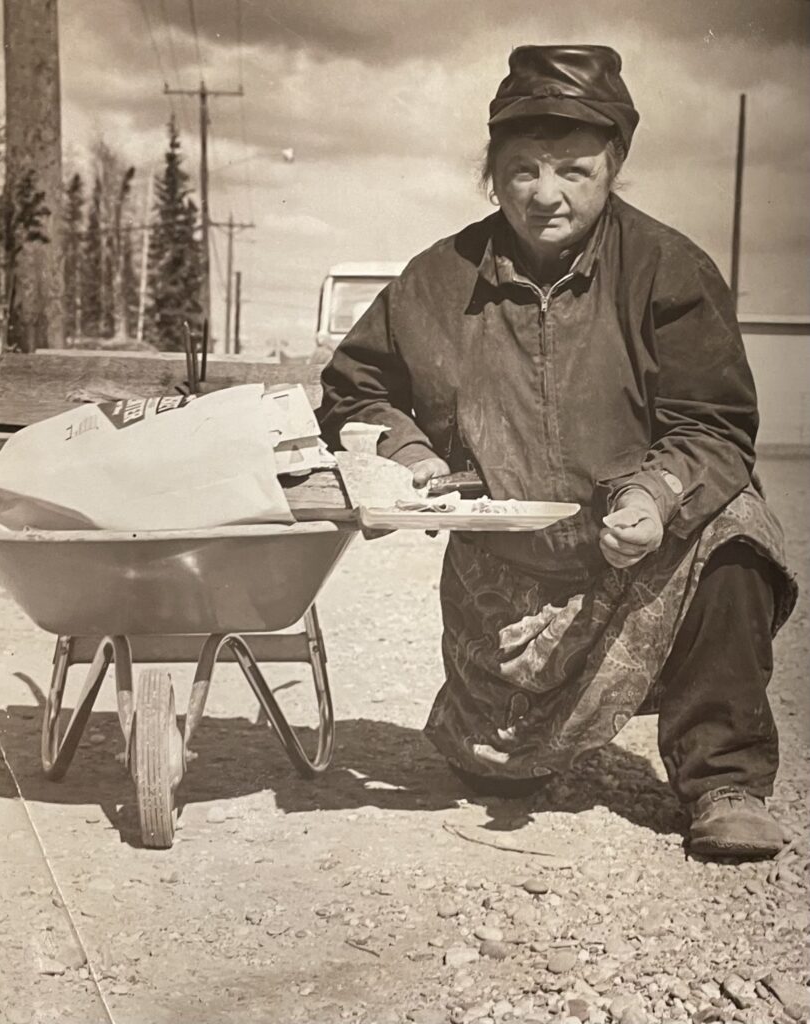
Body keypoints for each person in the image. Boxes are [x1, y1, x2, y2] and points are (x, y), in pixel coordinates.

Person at [317, 45, 797, 859]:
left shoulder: (667, 270)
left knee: (737, 534)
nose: (545, 195)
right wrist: (405, 451)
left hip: (641, 546)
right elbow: (352, 391)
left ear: (613, 165)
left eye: (573, 170)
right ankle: (510, 726)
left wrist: (653, 496)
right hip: (510, 565)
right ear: (491, 172)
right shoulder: (434, 280)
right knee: (491, 774)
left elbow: (714, 424)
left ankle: (722, 779)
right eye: (522, 170)